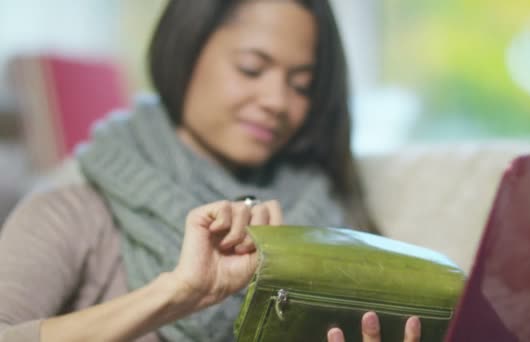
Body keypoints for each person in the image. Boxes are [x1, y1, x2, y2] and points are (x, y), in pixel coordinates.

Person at [0, 0, 421, 341]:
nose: (277, 100)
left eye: (301, 85)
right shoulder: (73, 211)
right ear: (185, 49)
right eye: (251, 68)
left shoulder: (332, 216)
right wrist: (176, 293)